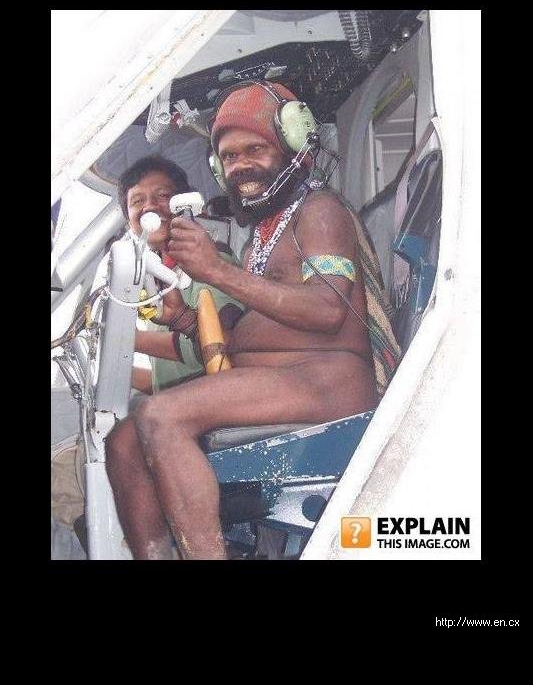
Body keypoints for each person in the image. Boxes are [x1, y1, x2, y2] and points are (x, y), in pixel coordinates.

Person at [106, 82, 400, 560]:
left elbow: (328, 309)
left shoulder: (320, 212)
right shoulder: (264, 234)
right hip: (277, 379)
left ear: (292, 147)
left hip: (324, 382)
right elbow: (260, 325)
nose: (240, 165)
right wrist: (185, 320)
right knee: (123, 439)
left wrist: (217, 271)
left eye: (254, 150)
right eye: (229, 157)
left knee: (161, 414)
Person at [116, 156, 243, 395]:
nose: (149, 207)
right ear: (129, 221)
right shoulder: (158, 277)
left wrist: (122, 338)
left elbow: (222, 345)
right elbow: (174, 376)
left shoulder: (213, 260)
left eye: (163, 195)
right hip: (184, 403)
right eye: (137, 201)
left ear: (184, 205)